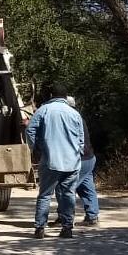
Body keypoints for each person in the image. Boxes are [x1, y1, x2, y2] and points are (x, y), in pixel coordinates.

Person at [25, 82, 84, 239]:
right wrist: (79, 151)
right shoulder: (74, 113)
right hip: (72, 161)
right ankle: (67, 228)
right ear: (65, 97)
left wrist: (36, 148)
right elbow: (81, 137)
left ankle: (40, 229)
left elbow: (30, 129)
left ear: (51, 96)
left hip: (51, 160)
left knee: (45, 194)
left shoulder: (43, 110)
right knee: (68, 194)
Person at [50, 96, 100, 227]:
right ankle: (92, 216)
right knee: (86, 187)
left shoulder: (70, 118)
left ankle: (64, 218)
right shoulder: (78, 116)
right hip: (89, 158)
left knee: (63, 188)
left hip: (80, 159)